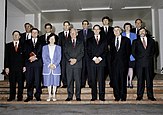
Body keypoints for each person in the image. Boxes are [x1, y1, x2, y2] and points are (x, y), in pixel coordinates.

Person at [132, 27, 156, 101]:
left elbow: (154, 51)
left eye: (143, 31)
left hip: (149, 63)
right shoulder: (135, 41)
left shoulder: (152, 41)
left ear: (146, 32)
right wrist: (139, 58)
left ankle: (150, 96)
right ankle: (139, 96)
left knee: (149, 80)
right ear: (138, 33)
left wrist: (148, 57)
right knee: (140, 80)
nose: (142, 32)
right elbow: (133, 52)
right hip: (139, 63)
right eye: (140, 31)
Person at [110, 26, 131, 101]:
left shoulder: (126, 40)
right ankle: (117, 96)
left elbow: (128, 52)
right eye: (114, 30)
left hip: (123, 64)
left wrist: (125, 61)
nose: (116, 31)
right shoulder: (111, 40)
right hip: (114, 64)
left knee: (123, 80)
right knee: (115, 81)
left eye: (117, 30)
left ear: (121, 31)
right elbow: (111, 53)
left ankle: (123, 96)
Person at [87, 25, 107, 101]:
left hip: (101, 62)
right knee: (93, 80)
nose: (96, 30)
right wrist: (95, 58)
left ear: (100, 30)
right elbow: (88, 51)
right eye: (94, 29)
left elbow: (106, 51)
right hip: (92, 62)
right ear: (93, 30)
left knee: (101, 80)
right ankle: (94, 97)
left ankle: (102, 97)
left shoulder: (104, 40)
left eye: (97, 29)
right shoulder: (89, 40)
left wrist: (100, 58)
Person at [5, 30, 26, 101]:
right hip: (11, 67)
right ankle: (12, 96)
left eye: (17, 35)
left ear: (20, 36)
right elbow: (6, 57)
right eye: (14, 35)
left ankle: (20, 97)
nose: (15, 36)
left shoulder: (23, 45)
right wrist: (6, 67)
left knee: (20, 83)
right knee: (12, 83)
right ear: (12, 36)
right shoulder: (8, 45)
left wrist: (24, 66)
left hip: (20, 67)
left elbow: (25, 57)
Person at [64, 28, 84, 101]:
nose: (73, 34)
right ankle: (70, 96)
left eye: (74, 32)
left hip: (78, 64)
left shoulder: (81, 42)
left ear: (77, 34)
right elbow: (65, 52)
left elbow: (82, 52)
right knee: (69, 81)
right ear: (69, 34)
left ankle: (78, 96)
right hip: (69, 64)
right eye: (71, 33)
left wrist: (76, 60)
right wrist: (70, 59)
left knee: (78, 81)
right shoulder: (66, 42)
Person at [24, 28, 42, 102]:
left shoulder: (42, 42)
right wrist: (30, 57)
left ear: (38, 34)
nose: (34, 34)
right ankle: (29, 96)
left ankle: (38, 96)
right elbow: (24, 52)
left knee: (38, 81)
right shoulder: (26, 42)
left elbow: (43, 53)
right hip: (29, 64)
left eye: (36, 32)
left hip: (38, 64)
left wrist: (36, 57)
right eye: (33, 32)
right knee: (29, 80)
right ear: (31, 33)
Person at [42, 33, 61, 101]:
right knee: (48, 82)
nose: (52, 40)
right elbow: (44, 57)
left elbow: (59, 58)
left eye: (53, 38)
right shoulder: (44, 47)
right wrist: (49, 65)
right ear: (48, 39)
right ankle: (49, 95)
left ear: (55, 40)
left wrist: (54, 65)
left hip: (56, 67)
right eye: (51, 38)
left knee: (55, 82)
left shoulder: (58, 48)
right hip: (47, 67)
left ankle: (54, 95)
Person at [78, 20, 94, 88]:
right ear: (82, 25)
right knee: (82, 69)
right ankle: (82, 83)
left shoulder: (92, 33)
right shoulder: (79, 33)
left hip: (89, 53)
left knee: (89, 69)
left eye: (86, 24)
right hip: (81, 53)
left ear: (88, 25)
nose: (85, 25)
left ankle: (90, 83)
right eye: (83, 24)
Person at [100, 16, 114, 87]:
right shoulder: (99, 29)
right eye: (104, 20)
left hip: (110, 51)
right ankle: (102, 83)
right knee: (103, 68)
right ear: (102, 22)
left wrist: (110, 46)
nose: (105, 22)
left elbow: (114, 39)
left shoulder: (113, 29)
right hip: (102, 52)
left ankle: (112, 82)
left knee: (111, 68)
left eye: (106, 20)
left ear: (109, 22)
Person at [122, 22, 137, 88]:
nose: (127, 28)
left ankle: (130, 81)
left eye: (128, 26)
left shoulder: (134, 35)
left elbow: (135, 45)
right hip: (124, 54)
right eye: (126, 27)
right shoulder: (122, 34)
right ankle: (125, 82)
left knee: (130, 68)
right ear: (124, 28)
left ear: (130, 28)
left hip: (131, 54)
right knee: (125, 68)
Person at [58, 21, 71, 88]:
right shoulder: (60, 34)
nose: (66, 27)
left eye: (67, 25)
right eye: (65, 25)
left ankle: (69, 83)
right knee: (63, 70)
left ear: (69, 26)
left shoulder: (72, 34)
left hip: (70, 55)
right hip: (62, 56)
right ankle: (64, 83)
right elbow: (59, 45)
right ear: (63, 26)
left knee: (69, 70)